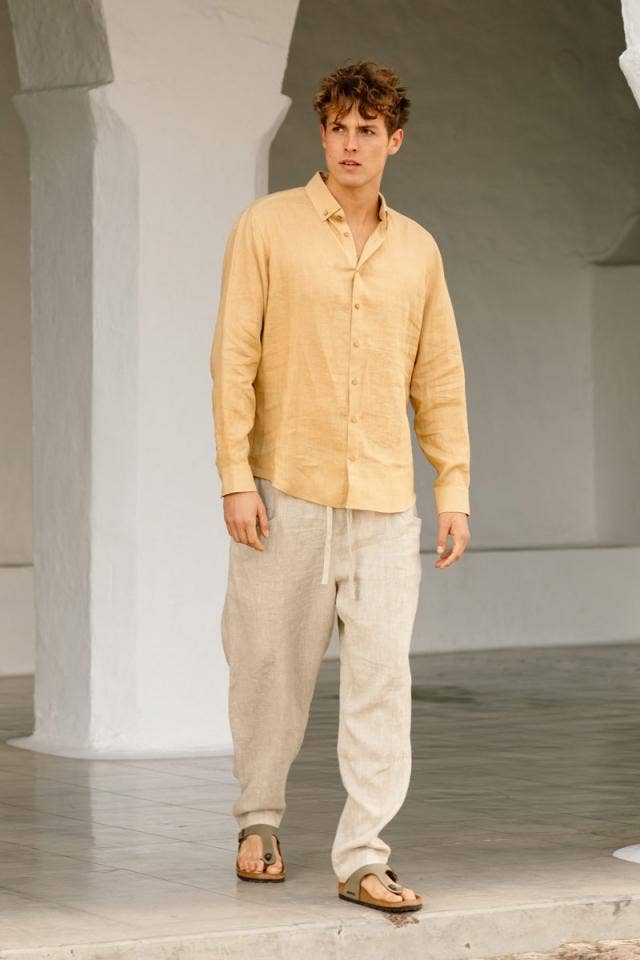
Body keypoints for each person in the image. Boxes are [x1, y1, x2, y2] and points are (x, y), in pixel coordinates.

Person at [209, 58, 471, 913]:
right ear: (321, 135)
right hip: (285, 491)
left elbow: (439, 376)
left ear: (396, 140)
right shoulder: (266, 228)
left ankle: (363, 855)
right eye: (338, 128)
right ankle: (258, 819)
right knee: (266, 665)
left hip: (386, 503)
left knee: (381, 680)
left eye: (368, 130)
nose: (350, 144)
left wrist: (454, 487)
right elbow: (233, 357)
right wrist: (235, 477)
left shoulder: (418, 250)